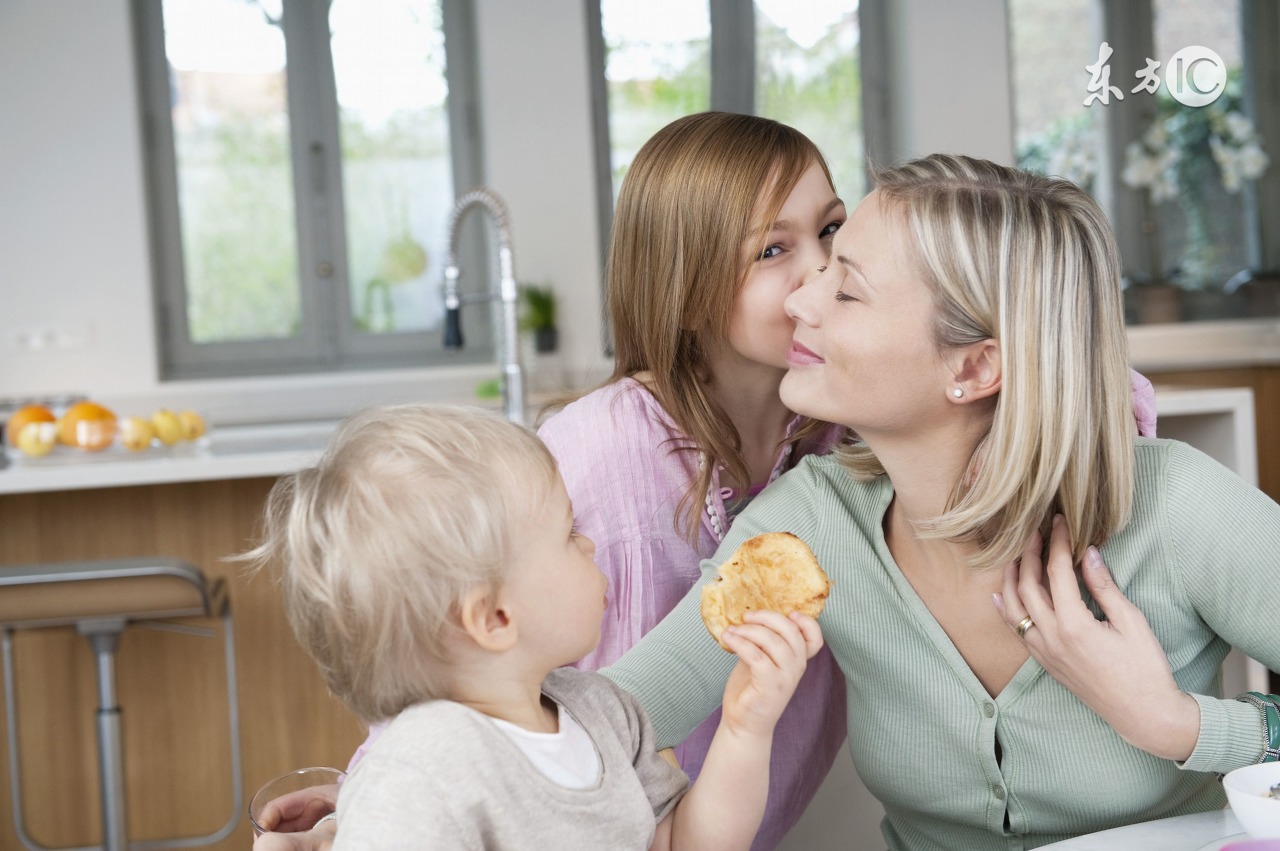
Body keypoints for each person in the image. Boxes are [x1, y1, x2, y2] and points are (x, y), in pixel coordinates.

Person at [343, 113, 1158, 847]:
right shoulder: (595, 455)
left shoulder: (847, 427)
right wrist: (370, 798)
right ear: (686, 288)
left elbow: (1091, 383)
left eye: (833, 232)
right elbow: (453, 644)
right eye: (773, 250)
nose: (819, 277)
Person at [602, 154, 1280, 851]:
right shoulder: (809, 525)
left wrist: (1178, 725)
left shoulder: (1174, 507)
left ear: (975, 366)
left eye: (847, 289)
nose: (800, 302)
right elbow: (608, 726)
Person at [246, 403, 824, 850]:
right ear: (495, 619)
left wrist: (746, 728)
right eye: (568, 533)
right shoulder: (421, 773)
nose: (591, 542)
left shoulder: (605, 715)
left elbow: (685, 842)